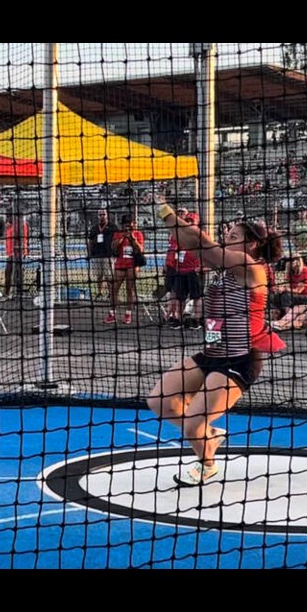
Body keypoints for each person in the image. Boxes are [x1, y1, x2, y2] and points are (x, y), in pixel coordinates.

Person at [147, 202, 284, 487]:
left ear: (254, 245)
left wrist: (164, 210)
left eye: (234, 236)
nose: (227, 237)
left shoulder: (251, 268)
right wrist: (168, 218)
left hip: (240, 358)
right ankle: (207, 432)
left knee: (192, 424)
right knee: (160, 401)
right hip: (212, 353)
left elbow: (199, 241)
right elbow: (191, 242)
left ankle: (206, 464)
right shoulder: (224, 267)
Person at [106, 213, 144, 325]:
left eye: (129, 224)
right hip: (120, 264)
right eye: (125, 225)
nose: (127, 227)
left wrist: (133, 239)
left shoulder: (138, 234)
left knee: (130, 288)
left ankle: (128, 313)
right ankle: (112, 313)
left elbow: (140, 250)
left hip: (132, 265)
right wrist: (122, 237)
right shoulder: (118, 234)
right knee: (114, 288)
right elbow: (113, 247)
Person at [86, 207, 117, 301]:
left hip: (108, 255)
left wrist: (114, 252)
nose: (102, 216)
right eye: (100, 215)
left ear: (107, 215)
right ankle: (99, 293)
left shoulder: (112, 227)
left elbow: (117, 239)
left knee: (109, 276)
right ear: (97, 216)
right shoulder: (94, 228)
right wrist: (90, 253)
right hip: (97, 255)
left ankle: (110, 294)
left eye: (104, 214)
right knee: (99, 275)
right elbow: (90, 241)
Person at [3, 206, 29, 300]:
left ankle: (17, 292)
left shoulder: (20, 224)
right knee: (10, 272)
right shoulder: (10, 225)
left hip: (17, 252)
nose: (8, 218)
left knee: (15, 272)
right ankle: (9, 293)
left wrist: (23, 251)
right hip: (11, 252)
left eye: (9, 216)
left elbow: (23, 239)